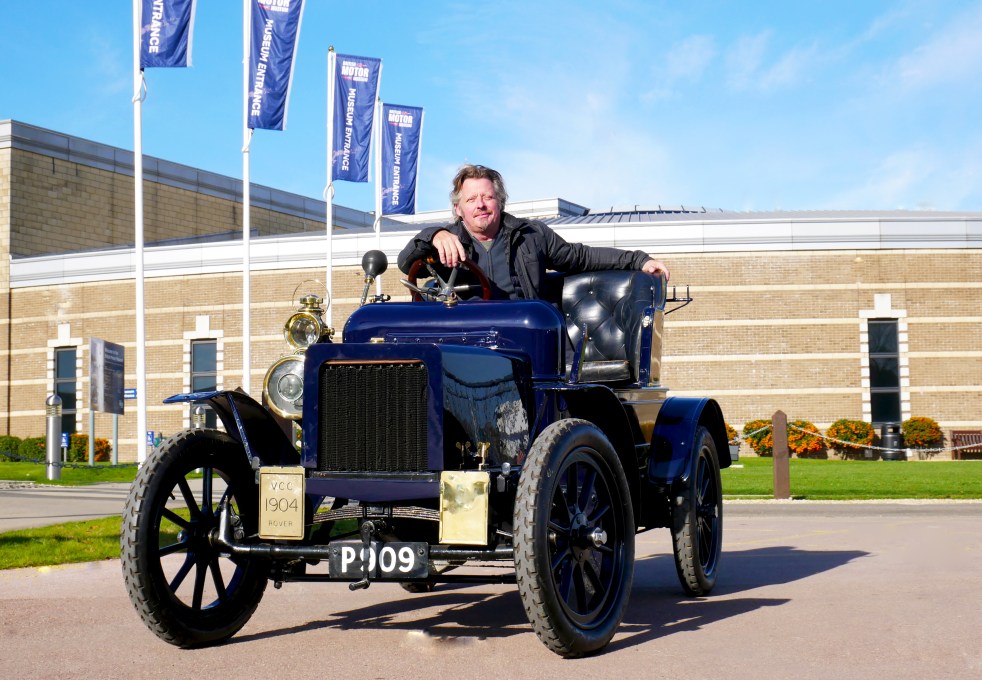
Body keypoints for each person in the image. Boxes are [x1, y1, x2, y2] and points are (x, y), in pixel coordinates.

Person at [397, 164, 669, 300]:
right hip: (466, 338)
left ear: (500, 201)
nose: (480, 205)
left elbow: (580, 257)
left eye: (487, 197)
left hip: (524, 335)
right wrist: (433, 235)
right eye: (471, 199)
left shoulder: (531, 234)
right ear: (458, 209)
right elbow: (406, 263)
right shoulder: (444, 241)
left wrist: (639, 260)